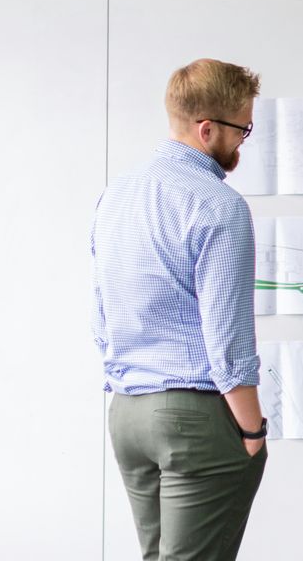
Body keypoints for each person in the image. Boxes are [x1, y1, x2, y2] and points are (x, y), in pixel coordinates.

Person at [91, 58, 268, 561]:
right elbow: (228, 337)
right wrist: (252, 429)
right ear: (206, 127)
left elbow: (101, 317)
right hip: (194, 414)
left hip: (127, 414)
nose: (242, 142)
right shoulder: (217, 204)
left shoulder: (115, 196)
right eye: (241, 129)